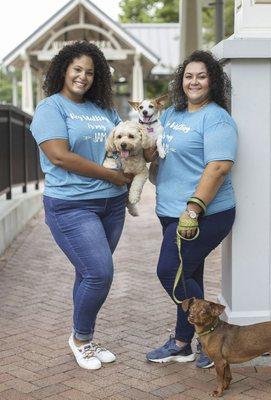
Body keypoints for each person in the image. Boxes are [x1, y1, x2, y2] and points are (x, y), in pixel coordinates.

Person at [30, 41, 134, 370]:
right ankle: (80, 340)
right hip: (71, 206)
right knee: (99, 273)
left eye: (90, 72)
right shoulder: (51, 108)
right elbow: (59, 155)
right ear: (63, 70)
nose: (83, 77)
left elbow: (124, 140)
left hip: (112, 205)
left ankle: (83, 337)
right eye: (77, 69)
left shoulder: (103, 109)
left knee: (88, 272)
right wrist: (110, 174)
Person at [146, 50, 237, 368]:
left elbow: (219, 167)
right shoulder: (171, 114)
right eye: (188, 75)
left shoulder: (216, 118)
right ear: (180, 81)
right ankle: (184, 344)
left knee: (169, 271)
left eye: (201, 75)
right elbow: (156, 152)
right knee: (188, 273)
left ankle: (212, 338)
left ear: (212, 80)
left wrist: (193, 209)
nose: (194, 81)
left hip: (204, 213)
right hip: (169, 211)